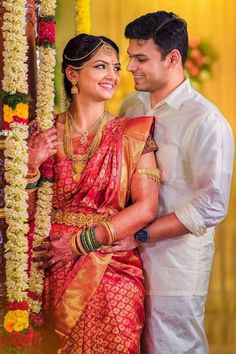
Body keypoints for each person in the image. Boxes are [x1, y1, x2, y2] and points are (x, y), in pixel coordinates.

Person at [103, 11, 235, 354]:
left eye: (140, 58)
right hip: (125, 259)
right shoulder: (133, 105)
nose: (129, 67)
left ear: (172, 58)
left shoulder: (206, 121)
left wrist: (142, 235)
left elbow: (211, 206)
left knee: (171, 347)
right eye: (130, 57)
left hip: (175, 264)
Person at [26, 33, 159, 353]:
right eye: (101, 66)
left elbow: (147, 207)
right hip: (50, 263)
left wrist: (81, 243)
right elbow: (24, 213)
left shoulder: (133, 132)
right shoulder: (42, 134)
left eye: (115, 67)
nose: (112, 75)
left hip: (110, 263)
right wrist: (30, 165)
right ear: (72, 74)